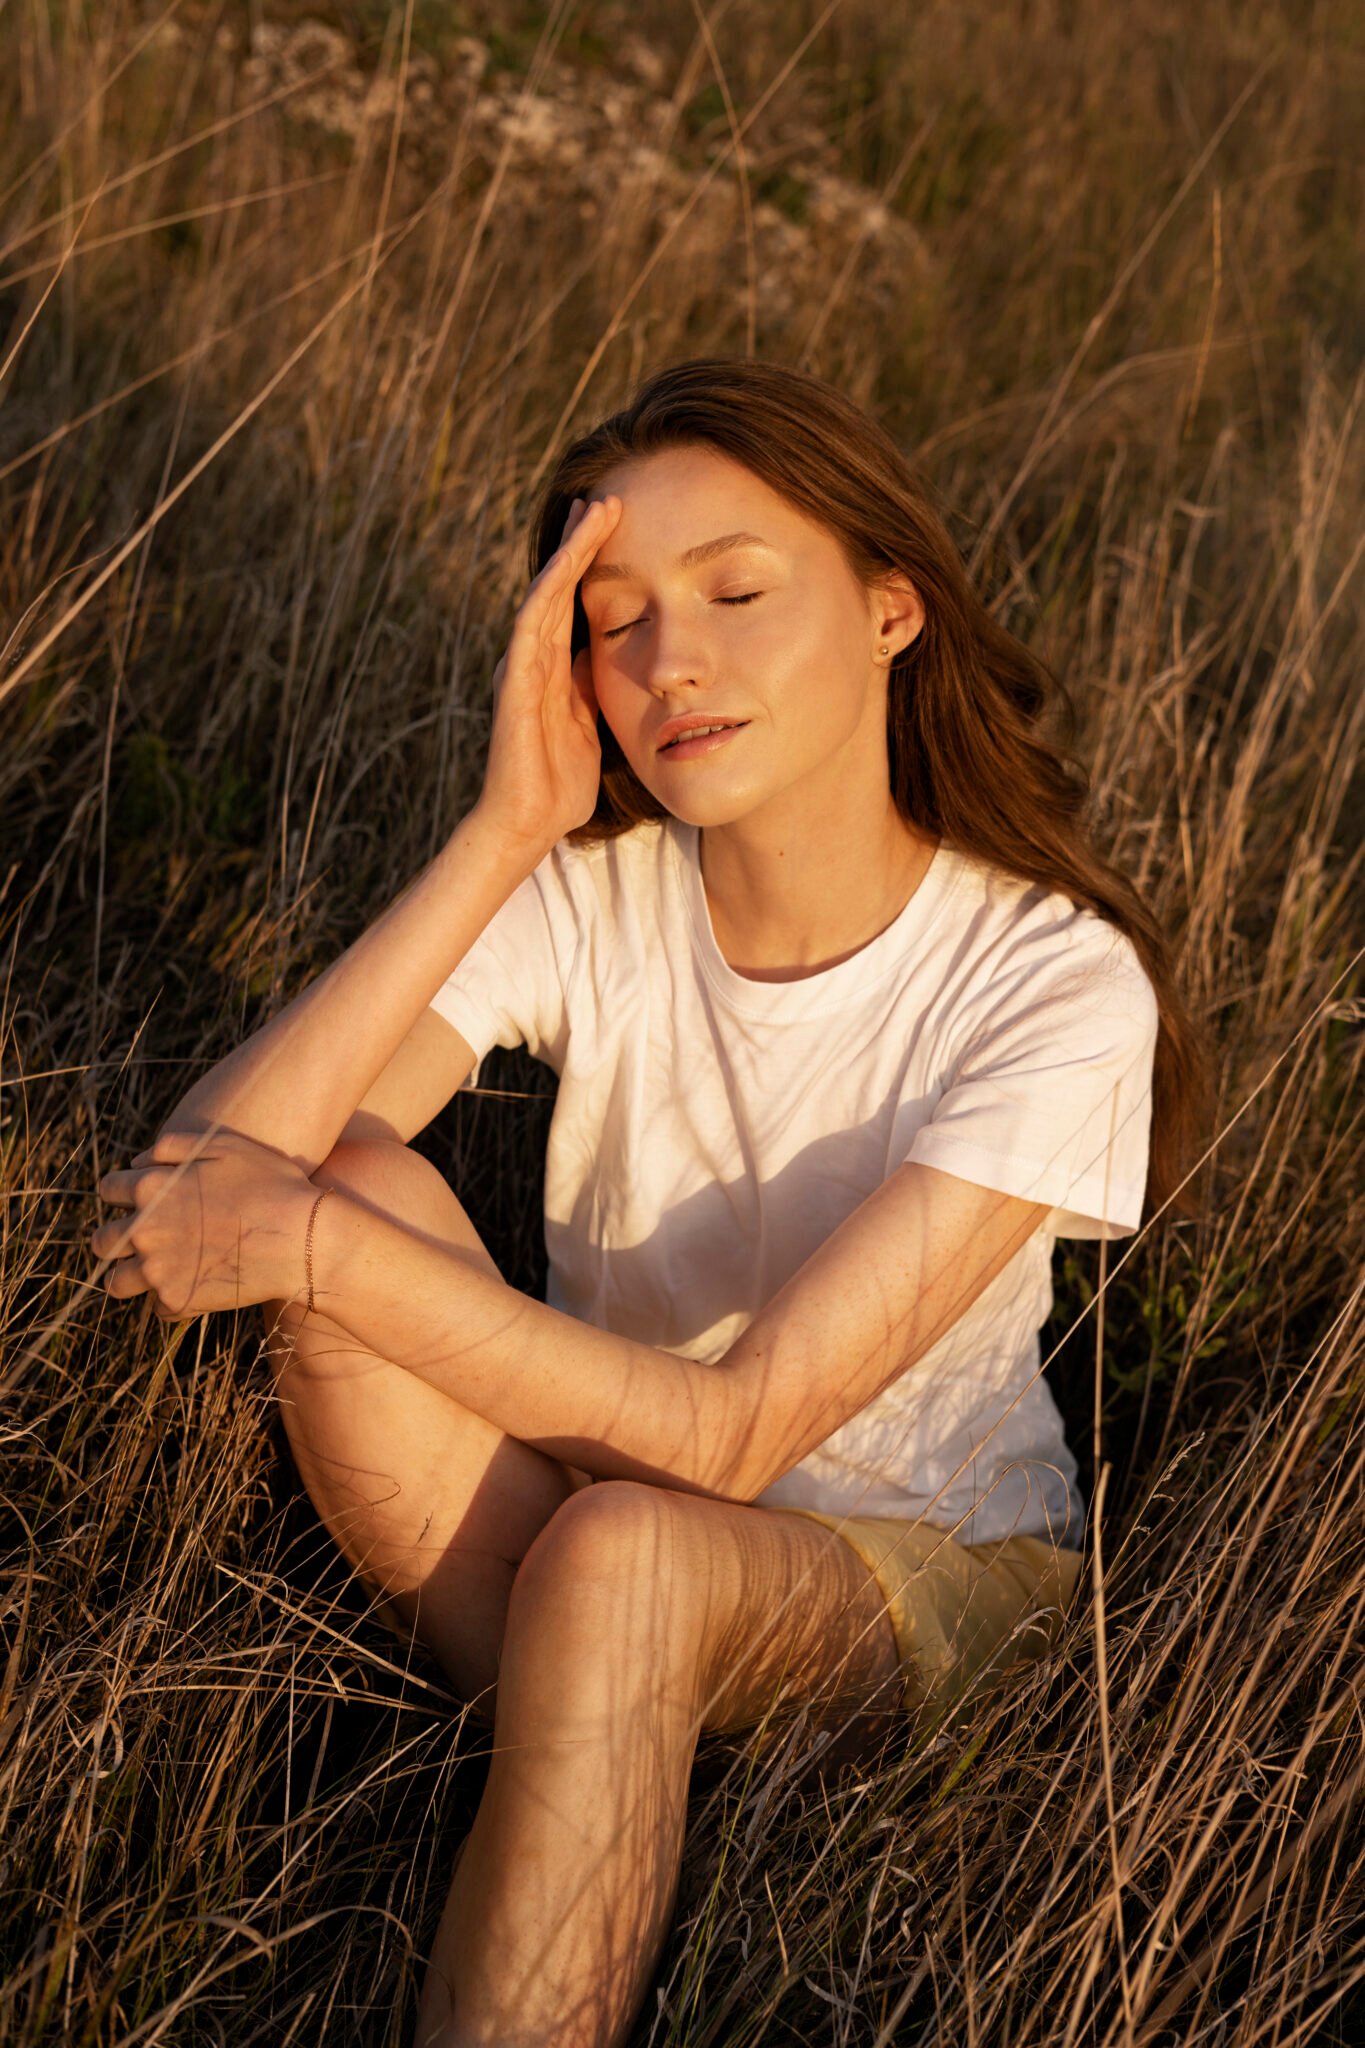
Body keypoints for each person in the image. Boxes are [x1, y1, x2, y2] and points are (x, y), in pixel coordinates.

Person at [88, 357, 1206, 2048]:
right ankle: (614, 1762)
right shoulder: (596, 896)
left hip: (915, 1588)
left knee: (603, 1530)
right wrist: (499, 832)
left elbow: (734, 1441)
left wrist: (313, 1246)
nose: (668, 660)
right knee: (359, 1181)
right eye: (613, 623)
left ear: (891, 607)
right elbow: (199, 1191)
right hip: (593, 1519)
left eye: (734, 592)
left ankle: (602, 1774)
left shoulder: (1048, 983)